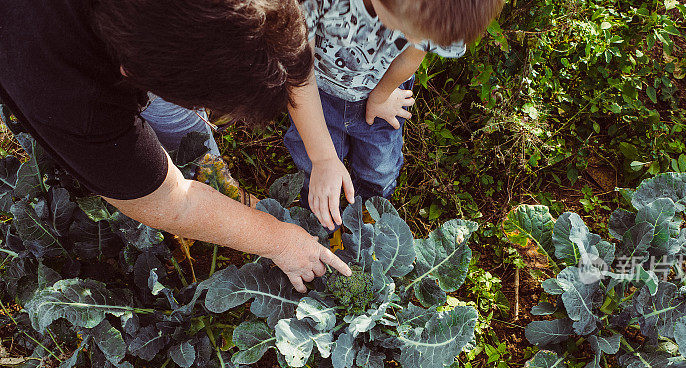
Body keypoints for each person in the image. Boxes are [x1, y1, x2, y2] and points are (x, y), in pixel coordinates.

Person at [0, 0, 350, 292]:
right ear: (133, 75)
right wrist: (278, 240)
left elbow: (281, 42)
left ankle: (206, 171)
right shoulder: (70, 95)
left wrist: (324, 156)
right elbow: (169, 202)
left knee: (186, 134)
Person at [285, 0, 504, 231]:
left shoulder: (440, 11)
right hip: (315, 96)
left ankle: (368, 217)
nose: (413, 40)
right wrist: (323, 159)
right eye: (406, 30)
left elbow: (412, 55)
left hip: (384, 93)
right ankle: (323, 221)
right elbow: (296, 74)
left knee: (379, 167)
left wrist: (380, 96)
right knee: (312, 166)